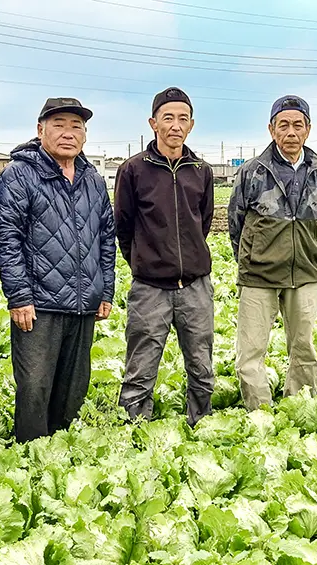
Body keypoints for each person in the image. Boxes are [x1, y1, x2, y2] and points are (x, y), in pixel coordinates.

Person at [0, 97, 116, 443]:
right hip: (39, 304)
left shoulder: (91, 178)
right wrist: (19, 296)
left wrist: (105, 289)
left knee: (73, 386)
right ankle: (30, 452)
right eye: (59, 124)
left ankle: (60, 451)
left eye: (76, 126)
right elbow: (7, 237)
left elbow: (106, 235)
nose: (68, 133)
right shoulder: (21, 174)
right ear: (40, 130)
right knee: (35, 386)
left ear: (85, 135)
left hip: (82, 303)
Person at [115, 87, 215, 427]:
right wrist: (147, 263)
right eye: (168, 118)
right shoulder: (134, 170)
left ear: (191, 125)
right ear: (153, 122)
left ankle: (200, 425)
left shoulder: (201, 170)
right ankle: (135, 430)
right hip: (150, 289)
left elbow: (203, 221)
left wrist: (188, 258)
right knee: (141, 366)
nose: (175, 125)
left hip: (196, 287)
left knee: (201, 364)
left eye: (183, 119)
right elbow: (124, 227)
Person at [227, 95, 317, 411]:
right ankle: (262, 414)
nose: (291, 132)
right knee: (251, 352)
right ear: (272, 129)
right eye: (284, 125)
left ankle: (300, 411)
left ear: (308, 130)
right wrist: (252, 257)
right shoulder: (252, 172)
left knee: (304, 348)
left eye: (298, 125)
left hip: (305, 273)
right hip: (260, 275)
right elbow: (235, 222)